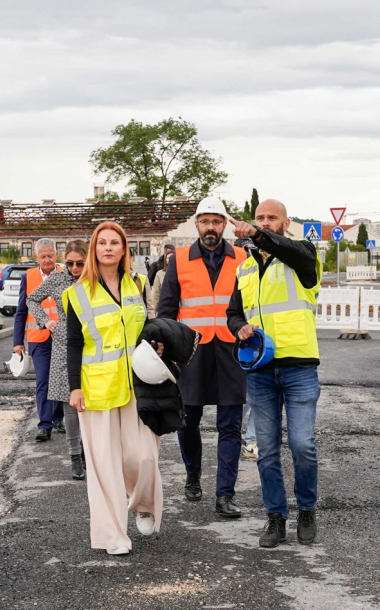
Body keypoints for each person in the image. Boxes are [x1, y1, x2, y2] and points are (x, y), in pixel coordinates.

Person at [226, 199, 322, 548]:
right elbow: (233, 313)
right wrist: (239, 327)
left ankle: (307, 509)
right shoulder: (246, 269)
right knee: (265, 449)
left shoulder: (303, 255)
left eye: (272, 218)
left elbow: (288, 249)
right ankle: (276, 517)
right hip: (261, 369)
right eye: (260, 218)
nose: (265, 222)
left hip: (298, 366)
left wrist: (258, 235)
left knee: (301, 445)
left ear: (286, 223)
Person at [65, 221, 162, 556]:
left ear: (124, 250)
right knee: (104, 466)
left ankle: (143, 504)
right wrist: (74, 388)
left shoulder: (136, 283)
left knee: (144, 455)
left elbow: (146, 325)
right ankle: (112, 537)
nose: (108, 248)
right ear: (94, 249)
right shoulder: (77, 292)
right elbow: (74, 343)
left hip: (136, 383)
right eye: (102, 242)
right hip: (95, 389)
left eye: (114, 243)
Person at [157, 197, 249, 518]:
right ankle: (193, 475)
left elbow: (251, 303)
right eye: (205, 221)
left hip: (231, 350)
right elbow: (166, 311)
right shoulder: (180, 260)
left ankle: (225, 494)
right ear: (196, 224)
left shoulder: (241, 258)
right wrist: (165, 352)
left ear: (225, 224)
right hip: (191, 352)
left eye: (217, 221)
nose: (211, 227)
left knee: (230, 425)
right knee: (188, 421)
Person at [27, 239, 89, 480]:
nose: (74, 268)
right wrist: (48, 322)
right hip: (64, 345)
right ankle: (75, 456)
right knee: (69, 403)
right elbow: (32, 299)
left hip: (92, 345)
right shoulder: (59, 278)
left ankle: (89, 453)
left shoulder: (94, 279)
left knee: (92, 402)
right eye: (70, 263)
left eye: (80, 263)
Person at [14, 238, 65, 442]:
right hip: (38, 338)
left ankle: (58, 417)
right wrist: (18, 342)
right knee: (43, 380)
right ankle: (45, 424)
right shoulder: (29, 277)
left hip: (61, 336)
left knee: (60, 378)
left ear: (56, 254)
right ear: (37, 257)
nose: (47, 260)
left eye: (50, 255)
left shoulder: (65, 273)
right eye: (43, 256)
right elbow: (21, 311)